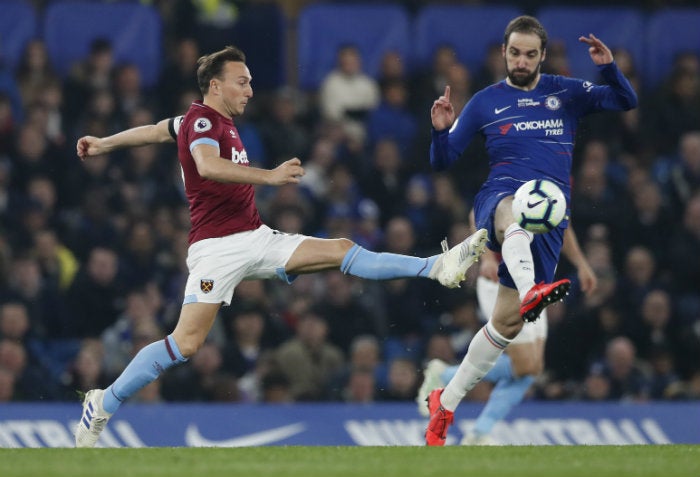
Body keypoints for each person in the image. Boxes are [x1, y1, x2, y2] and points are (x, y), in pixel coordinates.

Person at [73, 45, 489, 448]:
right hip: (216, 249)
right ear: (215, 86)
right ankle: (103, 403)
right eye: (242, 82)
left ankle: (436, 266)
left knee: (341, 248)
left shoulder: (193, 121)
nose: (250, 90)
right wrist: (268, 177)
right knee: (186, 344)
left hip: (256, 237)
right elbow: (206, 165)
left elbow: (155, 130)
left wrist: (105, 144)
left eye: (250, 82)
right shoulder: (203, 122)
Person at [424, 16, 637, 445]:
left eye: (530, 54)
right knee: (510, 211)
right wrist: (440, 130)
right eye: (514, 53)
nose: (521, 61)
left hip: (549, 220)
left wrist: (608, 66)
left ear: (542, 55)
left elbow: (624, 100)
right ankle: (530, 292)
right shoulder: (486, 101)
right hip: (498, 198)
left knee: (506, 326)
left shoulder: (566, 92)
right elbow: (442, 162)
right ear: (504, 52)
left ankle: (445, 402)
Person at [417, 223, 596, 444]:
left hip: (536, 286)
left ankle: (479, 431)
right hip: (502, 282)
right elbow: (480, 212)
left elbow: (563, 224)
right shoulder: (513, 189)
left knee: (531, 368)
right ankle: (445, 377)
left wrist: (581, 263)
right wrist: (488, 259)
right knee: (525, 365)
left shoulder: (559, 190)